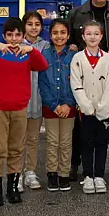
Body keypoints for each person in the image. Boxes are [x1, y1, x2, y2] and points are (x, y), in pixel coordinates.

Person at [0, 17, 48, 206]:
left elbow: (42, 65)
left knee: (17, 148)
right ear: (4, 36)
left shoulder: (26, 54)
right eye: (10, 35)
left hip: (20, 108)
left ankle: (13, 187)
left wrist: (32, 50)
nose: (14, 39)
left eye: (17, 35)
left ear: (23, 36)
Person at [67, 0, 109, 181]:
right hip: (85, 76)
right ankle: (75, 165)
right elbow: (68, 41)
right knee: (80, 128)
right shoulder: (76, 14)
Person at [69, 21, 109, 194]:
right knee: (86, 142)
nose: (92, 37)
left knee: (102, 143)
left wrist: (103, 106)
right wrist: (87, 107)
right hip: (85, 110)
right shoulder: (77, 59)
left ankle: (99, 176)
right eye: (89, 34)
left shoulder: (108, 58)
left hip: (103, 110)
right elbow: (76, 84)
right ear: (83, 36)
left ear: (101, 36)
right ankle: (88, 175)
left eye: (96, 34)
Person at [38, 19, 77, 192]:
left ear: (68, 35)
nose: (59, 36)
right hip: (50, 106)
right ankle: (52, 173)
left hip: (69, 106)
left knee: (66, 142)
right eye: (55, 33)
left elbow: (78, 82)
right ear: (50, 35)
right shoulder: (44, 54)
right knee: (52, 141)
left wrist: (69, 104)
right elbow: (42, 83)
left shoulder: (74, 55)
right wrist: (53, 105)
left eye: (63, 33)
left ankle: (64, 173)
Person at [21, 11, 49, 191]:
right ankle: (16, 173)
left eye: (37, 24)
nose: (33, 27)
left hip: (37, 100)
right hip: (20, 101)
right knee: (17, 140)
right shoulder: (15, 45)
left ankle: (30, 171)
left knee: (33, 138)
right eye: (30, 24)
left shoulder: (46, 46)